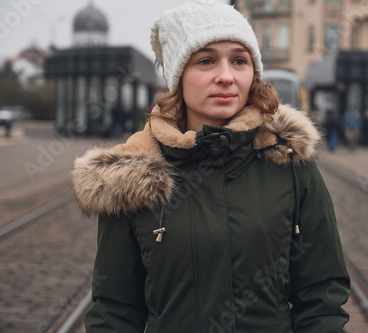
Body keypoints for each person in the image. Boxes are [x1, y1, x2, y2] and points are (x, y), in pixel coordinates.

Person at [72, 1, 350, 332]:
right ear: (178, 75)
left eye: (239, 60)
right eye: (206, 61)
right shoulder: (131, 175)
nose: (226, 76)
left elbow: (322, 296)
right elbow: (116, 309)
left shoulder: (288, 160)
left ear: (253, 73)